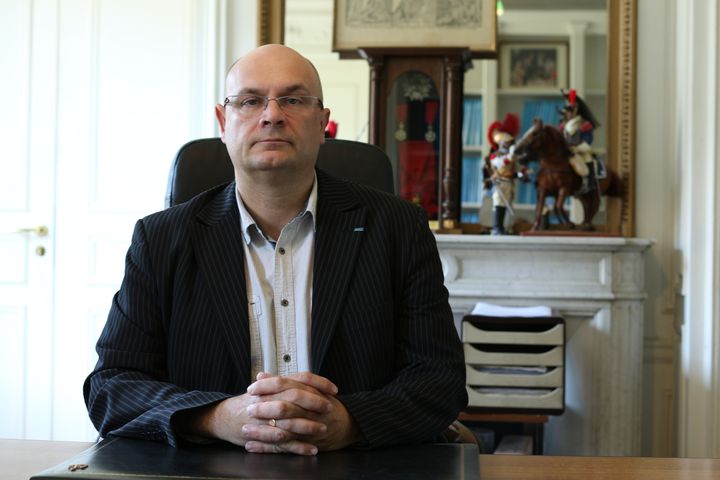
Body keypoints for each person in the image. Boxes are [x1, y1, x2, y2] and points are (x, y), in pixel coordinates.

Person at [83, 44, 467, 456]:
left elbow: (440, 380)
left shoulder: (397, 228)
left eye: (293, 99)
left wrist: (351, 422)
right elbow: (112, 387)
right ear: (223, 122)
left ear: (323, 123)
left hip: (354, 466)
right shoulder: (160, 239)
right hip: (211, 468)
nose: (271, 115)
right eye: (249, 101)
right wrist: (216, 417)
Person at [484, 113, 524, 235]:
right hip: (499, 182)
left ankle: (505, 227)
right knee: (498, 204)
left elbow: (514, 169)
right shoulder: (495, 155)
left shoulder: (512, 157)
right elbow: (502, 163)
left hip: (509, 183)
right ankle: (497, 227)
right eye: (505, 143)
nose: (507, 145)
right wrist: (510, 155)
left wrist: (521, 174)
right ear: (500, 143)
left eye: (509, 142)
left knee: (507, 205)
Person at [559, 89, 601, 193]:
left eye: (570, 110)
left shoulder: (583, 124)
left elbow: (588, 140)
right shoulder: (563, 125)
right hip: (565, 150)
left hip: (579, 149)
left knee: (587, 158)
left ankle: (589, 183)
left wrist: (577, 148)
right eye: (567, 110)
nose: (568, 113)